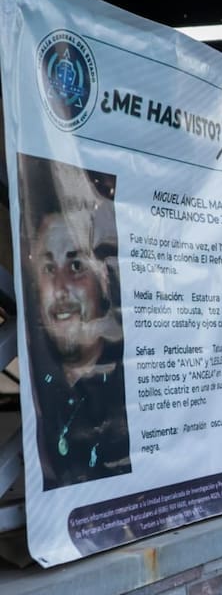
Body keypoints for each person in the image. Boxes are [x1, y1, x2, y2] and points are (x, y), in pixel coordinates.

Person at [24, 207, 131, 490]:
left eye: (76, 266)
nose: (60, 289)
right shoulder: (34, 392)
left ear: (104, 282)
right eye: (48, 268)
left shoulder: (127, 396)